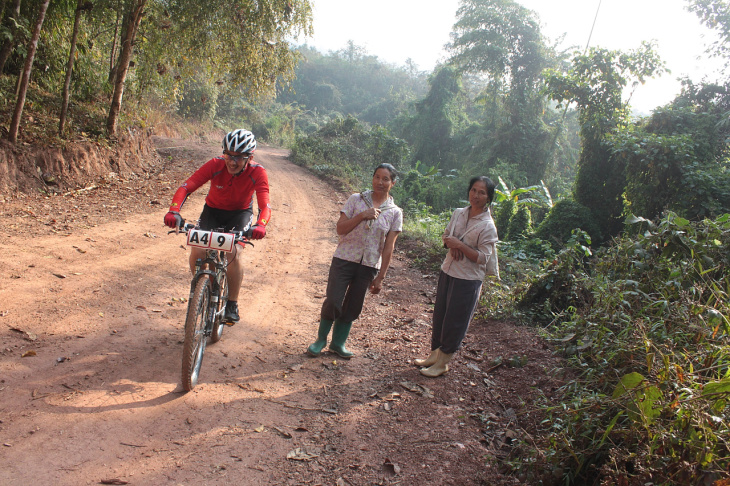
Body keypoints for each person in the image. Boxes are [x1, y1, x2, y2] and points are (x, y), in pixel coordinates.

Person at [163, 129, 271, 324]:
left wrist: (260, 225)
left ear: (250, 157)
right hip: (212, 211)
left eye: (239, 157)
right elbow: (187, 187)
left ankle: (232, 303)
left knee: (234, 253)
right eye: (229, 155)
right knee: (198, 250)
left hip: (239, 214)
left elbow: (265, 206)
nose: (232, 161)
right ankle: (202, 288)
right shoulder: (215, 164)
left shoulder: (258, 172)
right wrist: (174, 211)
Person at [307, 163, 403, 359]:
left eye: (386, 179)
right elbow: (340, 229)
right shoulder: (355, 200)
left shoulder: (395, 212)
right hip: (344, 258)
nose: (380, 182)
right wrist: (362, 216)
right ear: (373, 178)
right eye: (377, 177)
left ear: (393, 183)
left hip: (369, 265)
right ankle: (320, 340)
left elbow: (389, 247)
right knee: (333, 300)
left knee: (353, 306)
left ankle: (338, 344)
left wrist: (381, 277)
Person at [414, 176, 499, 377]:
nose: (476, 195)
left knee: (456, 320)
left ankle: (443, 363)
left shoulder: (487, 226)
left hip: (468, 279)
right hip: (448, 270)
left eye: (482, 192)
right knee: (440, 315)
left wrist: (460, 245)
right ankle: (434, 355)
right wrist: (450, 244)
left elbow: (482, 258)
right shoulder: (459, 213)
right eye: (473, 190)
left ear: (488, 198)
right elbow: (446, 236)